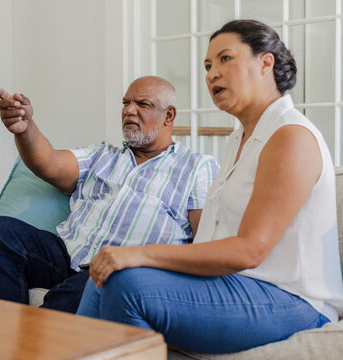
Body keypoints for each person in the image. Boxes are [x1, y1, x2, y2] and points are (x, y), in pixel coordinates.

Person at [76, 19, 343, 354]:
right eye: (207, 65)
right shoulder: (238, 141)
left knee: (128, 284)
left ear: (265, 62)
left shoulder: (290, 136)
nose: (212, 73)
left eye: (225, 59)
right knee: (103, 272)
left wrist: (139, 254)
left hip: (293, 301)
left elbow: (249, 250)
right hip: (235, 287)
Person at [0, 76, 219, 313]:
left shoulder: (197, 167)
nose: (129, 110)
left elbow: (205, 243)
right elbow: (48, 163)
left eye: (142, 104)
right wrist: (24, 128)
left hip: (123, 272)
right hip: (65, 256)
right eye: (125, 103)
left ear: (169, 115)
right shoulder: (102, 155)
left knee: (88, 288)